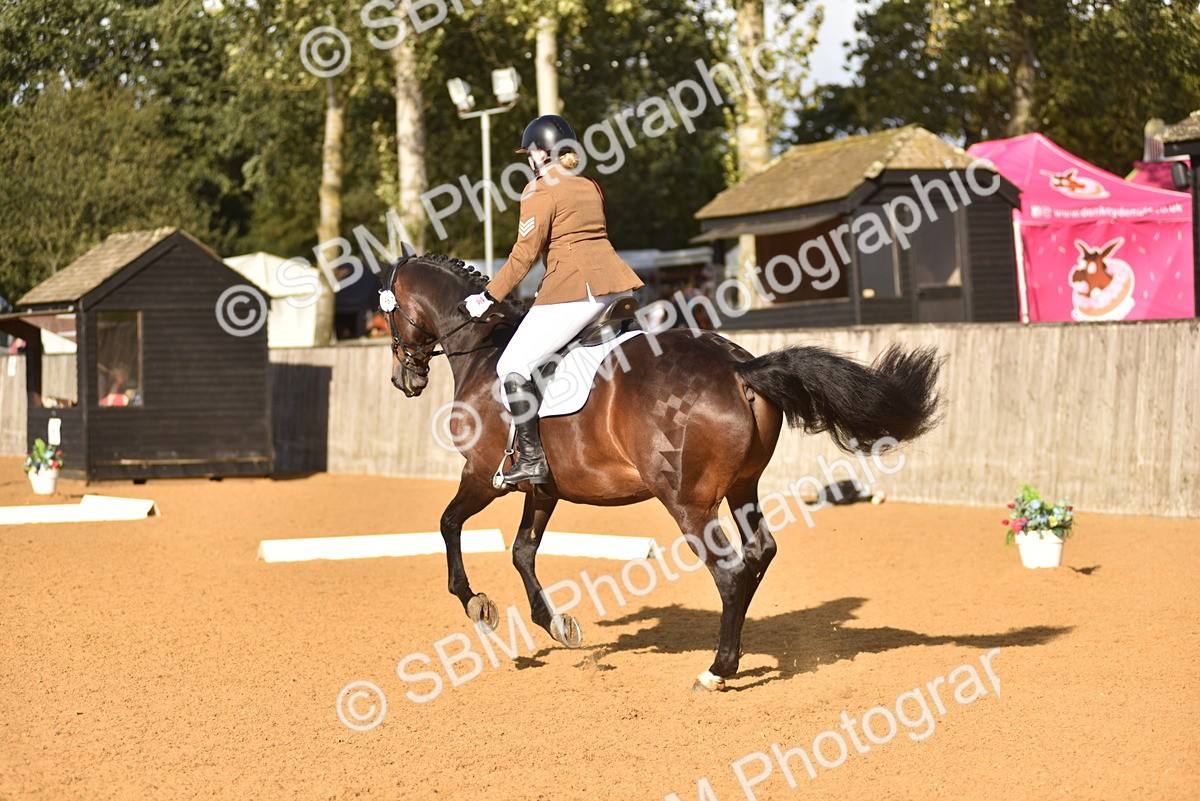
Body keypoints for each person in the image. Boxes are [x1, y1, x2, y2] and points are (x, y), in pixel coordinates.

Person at [462, 114, 643, 486]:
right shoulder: (591, 185)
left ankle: (530, 458)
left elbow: (523, 256)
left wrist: (487, 296)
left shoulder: (539, 191)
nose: (528, 159)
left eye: (529, 152)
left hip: (576, 289)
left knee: (511, 363)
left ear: (541, 154)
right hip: (618, 284)